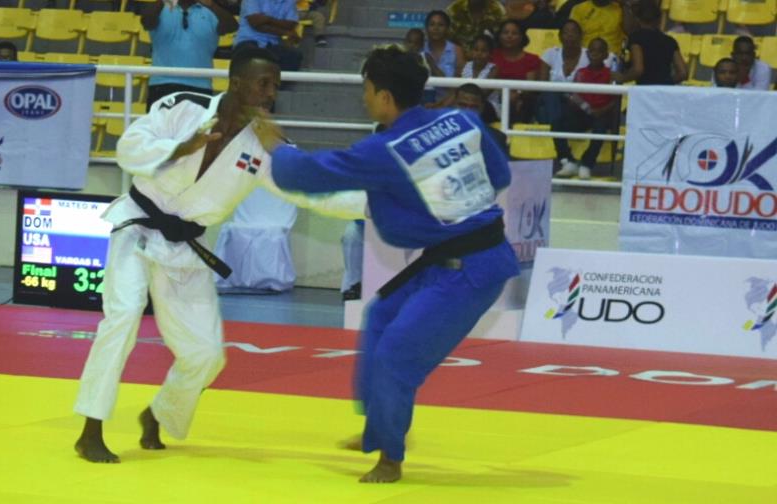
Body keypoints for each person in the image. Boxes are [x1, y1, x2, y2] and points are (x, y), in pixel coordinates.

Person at [73, 47, 364, 463]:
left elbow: (310, 192)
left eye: (276, 85)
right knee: (122, 316)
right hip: (137, 225)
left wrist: (374, 202)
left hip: (185, 247)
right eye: (264, 83)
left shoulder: (264, 147)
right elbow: (130, 145)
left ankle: (160, 412)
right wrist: (178, 147)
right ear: (236, 82)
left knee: (206, 355)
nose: (271, 93)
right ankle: (91, 429)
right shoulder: (184, 107)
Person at [251, 45, 520, 483]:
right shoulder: (463, 120)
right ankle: (378, 427)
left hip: (471, 269)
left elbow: (304, 174)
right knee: (379, 319)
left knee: (396, 355)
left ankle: (390, 458)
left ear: (385, 98)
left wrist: (276, 145)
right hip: (453, 257)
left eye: (367, 90)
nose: (364, 98)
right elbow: (501, 176)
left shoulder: (385, 149)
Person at [142, 0, 238, 110]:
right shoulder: (159, 8)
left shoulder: (210, 10)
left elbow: (232, 26)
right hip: (162, 84)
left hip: (200, 86)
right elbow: (147, 22)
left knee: (197, 128)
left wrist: (212, 5)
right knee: (159, 127)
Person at [553, 38, 618, 179]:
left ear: (606, 55)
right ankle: (567, 161)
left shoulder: (611, 75)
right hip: (583, 113)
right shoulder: (580, 72)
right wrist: (587, 109)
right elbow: (574, 96)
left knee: (600, 128)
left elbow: (616, 99)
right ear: (587, 54)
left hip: (602, 113)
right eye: (592, 51)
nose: (595, 54)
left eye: (600, 51)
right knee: (557, 122)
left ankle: (586, 164)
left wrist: (602, 110)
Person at [615, 1, 686, 85]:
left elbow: (638, 69)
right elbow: (683, 73)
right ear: (659, 20)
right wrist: (666, 83)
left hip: (644, 91)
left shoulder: (636, 38)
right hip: (664, 92)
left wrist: (622, 78)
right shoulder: (670, 40)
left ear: (638, 19)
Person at [491, 20, 541, 122]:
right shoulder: (491, 56)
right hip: (496, 98)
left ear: (521, 37)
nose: (509, 36)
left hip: (522, 101)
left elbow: (530, 87)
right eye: (505, 33)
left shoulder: (532, 59)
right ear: (499, 36)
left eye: (514, 33)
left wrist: (518, 94)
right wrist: (505, 94)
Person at [233, 0, 303, 71]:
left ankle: (280, 82)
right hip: (247, 41)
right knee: (254, 55)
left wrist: (267, 19)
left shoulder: (289, 1)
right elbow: (255, 22)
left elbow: (290, 25)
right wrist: (285, 32)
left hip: (272, 44)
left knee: (294, 56)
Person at [423, 10, 466, 103]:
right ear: (426, 28)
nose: (436, 28)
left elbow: (459, 86)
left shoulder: (457, 50)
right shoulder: (420, 50)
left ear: (447, 28)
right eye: (432, 24)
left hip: (450, 103)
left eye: (440, 25)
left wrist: (441, 105)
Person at [453, 83, 508, 152]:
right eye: (462, 105)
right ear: (454, 104)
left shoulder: (497, 138)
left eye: (473, 107)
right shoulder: (438, 133)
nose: (468, 111)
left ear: (481, 108)